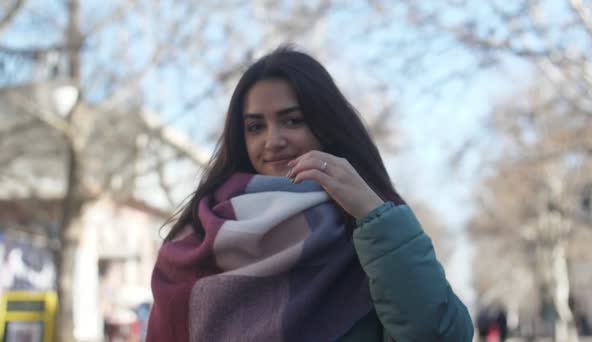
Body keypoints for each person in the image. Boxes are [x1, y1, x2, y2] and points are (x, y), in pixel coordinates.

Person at [146, 45, 473, 341]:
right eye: (256, 127)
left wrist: (372, 213)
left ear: (326, 125)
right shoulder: (196, 238)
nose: (273, 141)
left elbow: (440, 335)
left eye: (292, 121)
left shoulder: (371, 232)